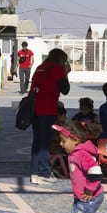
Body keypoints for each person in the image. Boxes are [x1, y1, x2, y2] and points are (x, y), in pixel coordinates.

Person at [53, 121, 107, 213]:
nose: (61, 144)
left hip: (89, 197)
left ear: (75, 140)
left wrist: (89, 189)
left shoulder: (81, 154)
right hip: (82, 197)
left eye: (63, 141)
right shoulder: (77, 153)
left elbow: (95, 172)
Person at [29, 48, 71, 185]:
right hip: (47, 109)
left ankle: (34, 173)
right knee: (45, 144)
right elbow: (65, 90)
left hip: (34, 109)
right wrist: (65, 72)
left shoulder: (40, 67)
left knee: (37, 142)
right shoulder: (57, 69)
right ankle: (44, 173)